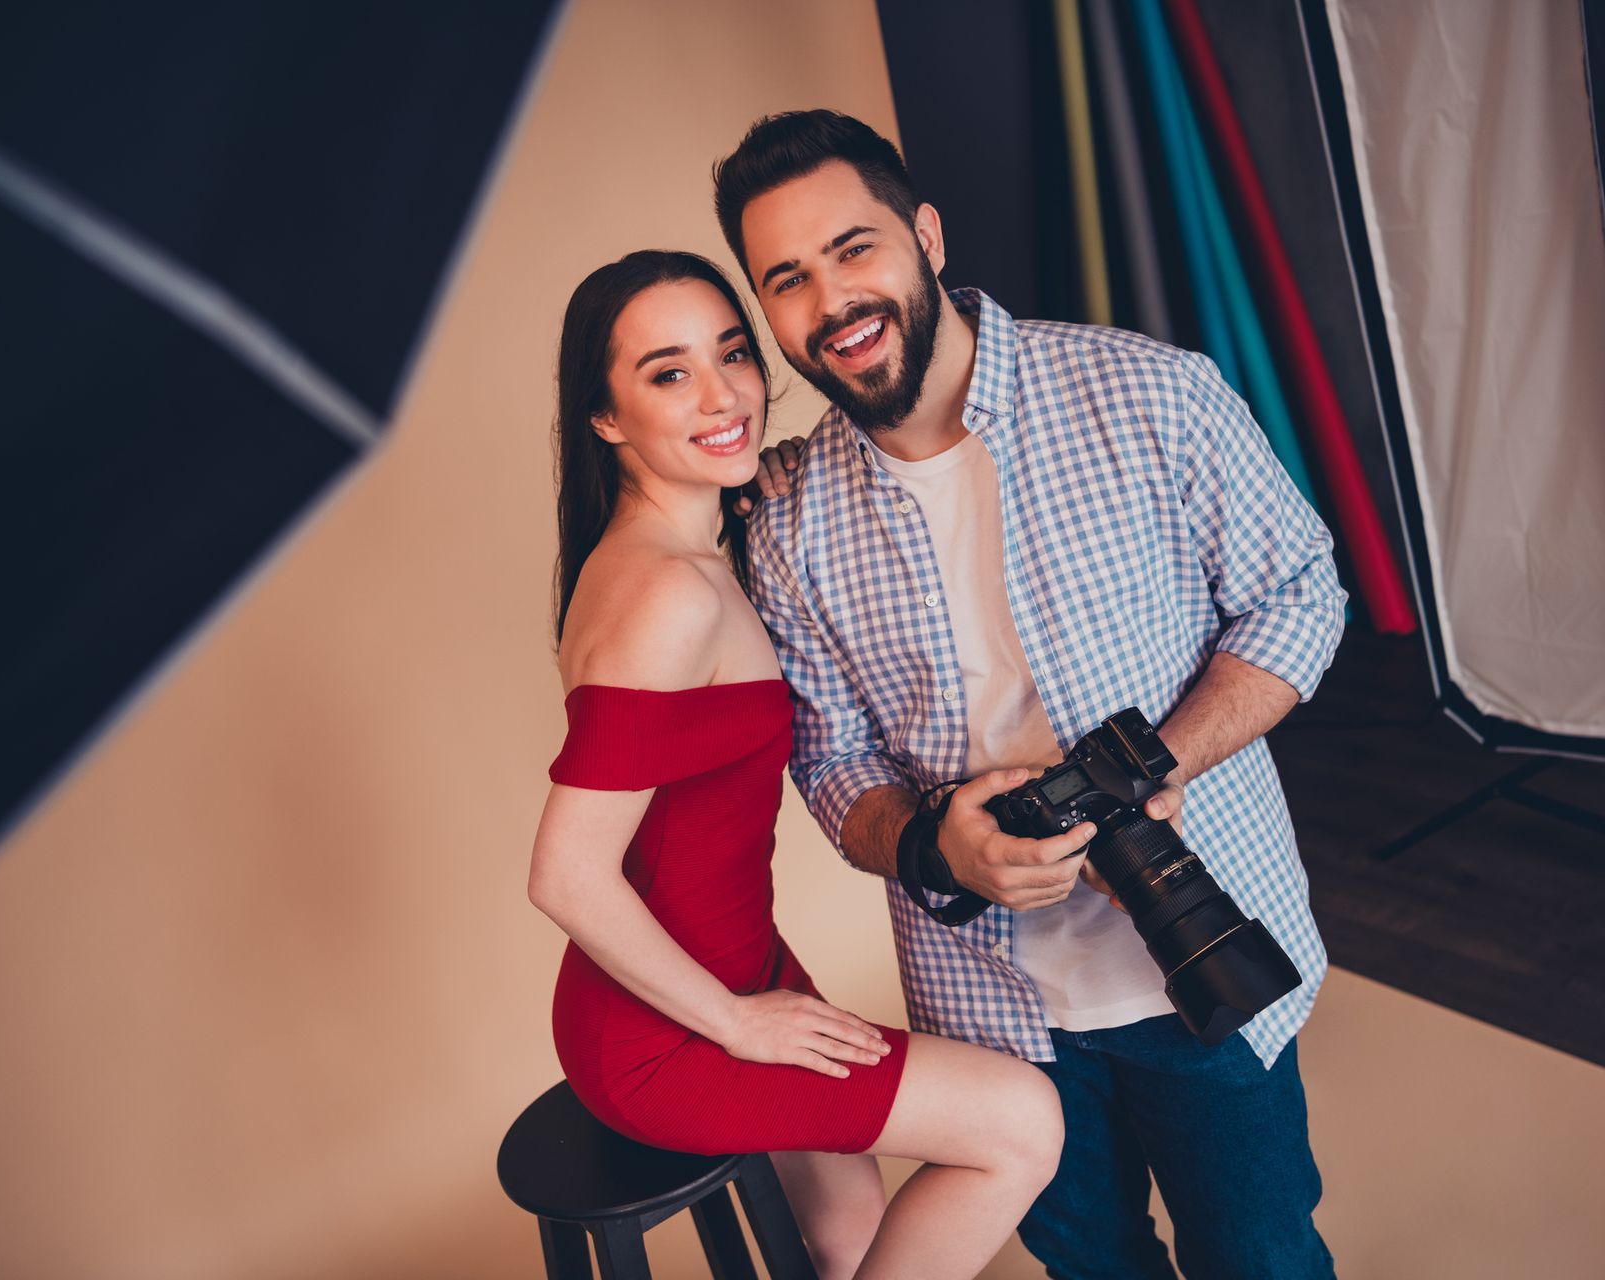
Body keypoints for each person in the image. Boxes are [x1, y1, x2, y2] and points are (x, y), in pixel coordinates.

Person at [717, 111, 1345, 1279]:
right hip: (991, 1009)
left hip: (1203, 943)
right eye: (787, 279)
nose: (832, 300)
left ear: (926, 235)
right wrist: (933, 846)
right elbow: (833, 759)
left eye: (854, 248)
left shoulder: (1149, 391)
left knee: (1260, 1258)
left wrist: (1163, 761)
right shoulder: (786, 520)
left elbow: (1300, 593)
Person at [525, 249, 1063, 1280]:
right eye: (669, 373)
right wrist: (735, 1023)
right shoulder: (664, 595)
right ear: (604, 416)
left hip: (734, 961)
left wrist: (761, 484)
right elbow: (565, 873)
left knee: (849, 1233)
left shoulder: (679, 550)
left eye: (732, 353)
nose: (724, 394)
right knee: (1021, 1123)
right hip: (665, 1024)